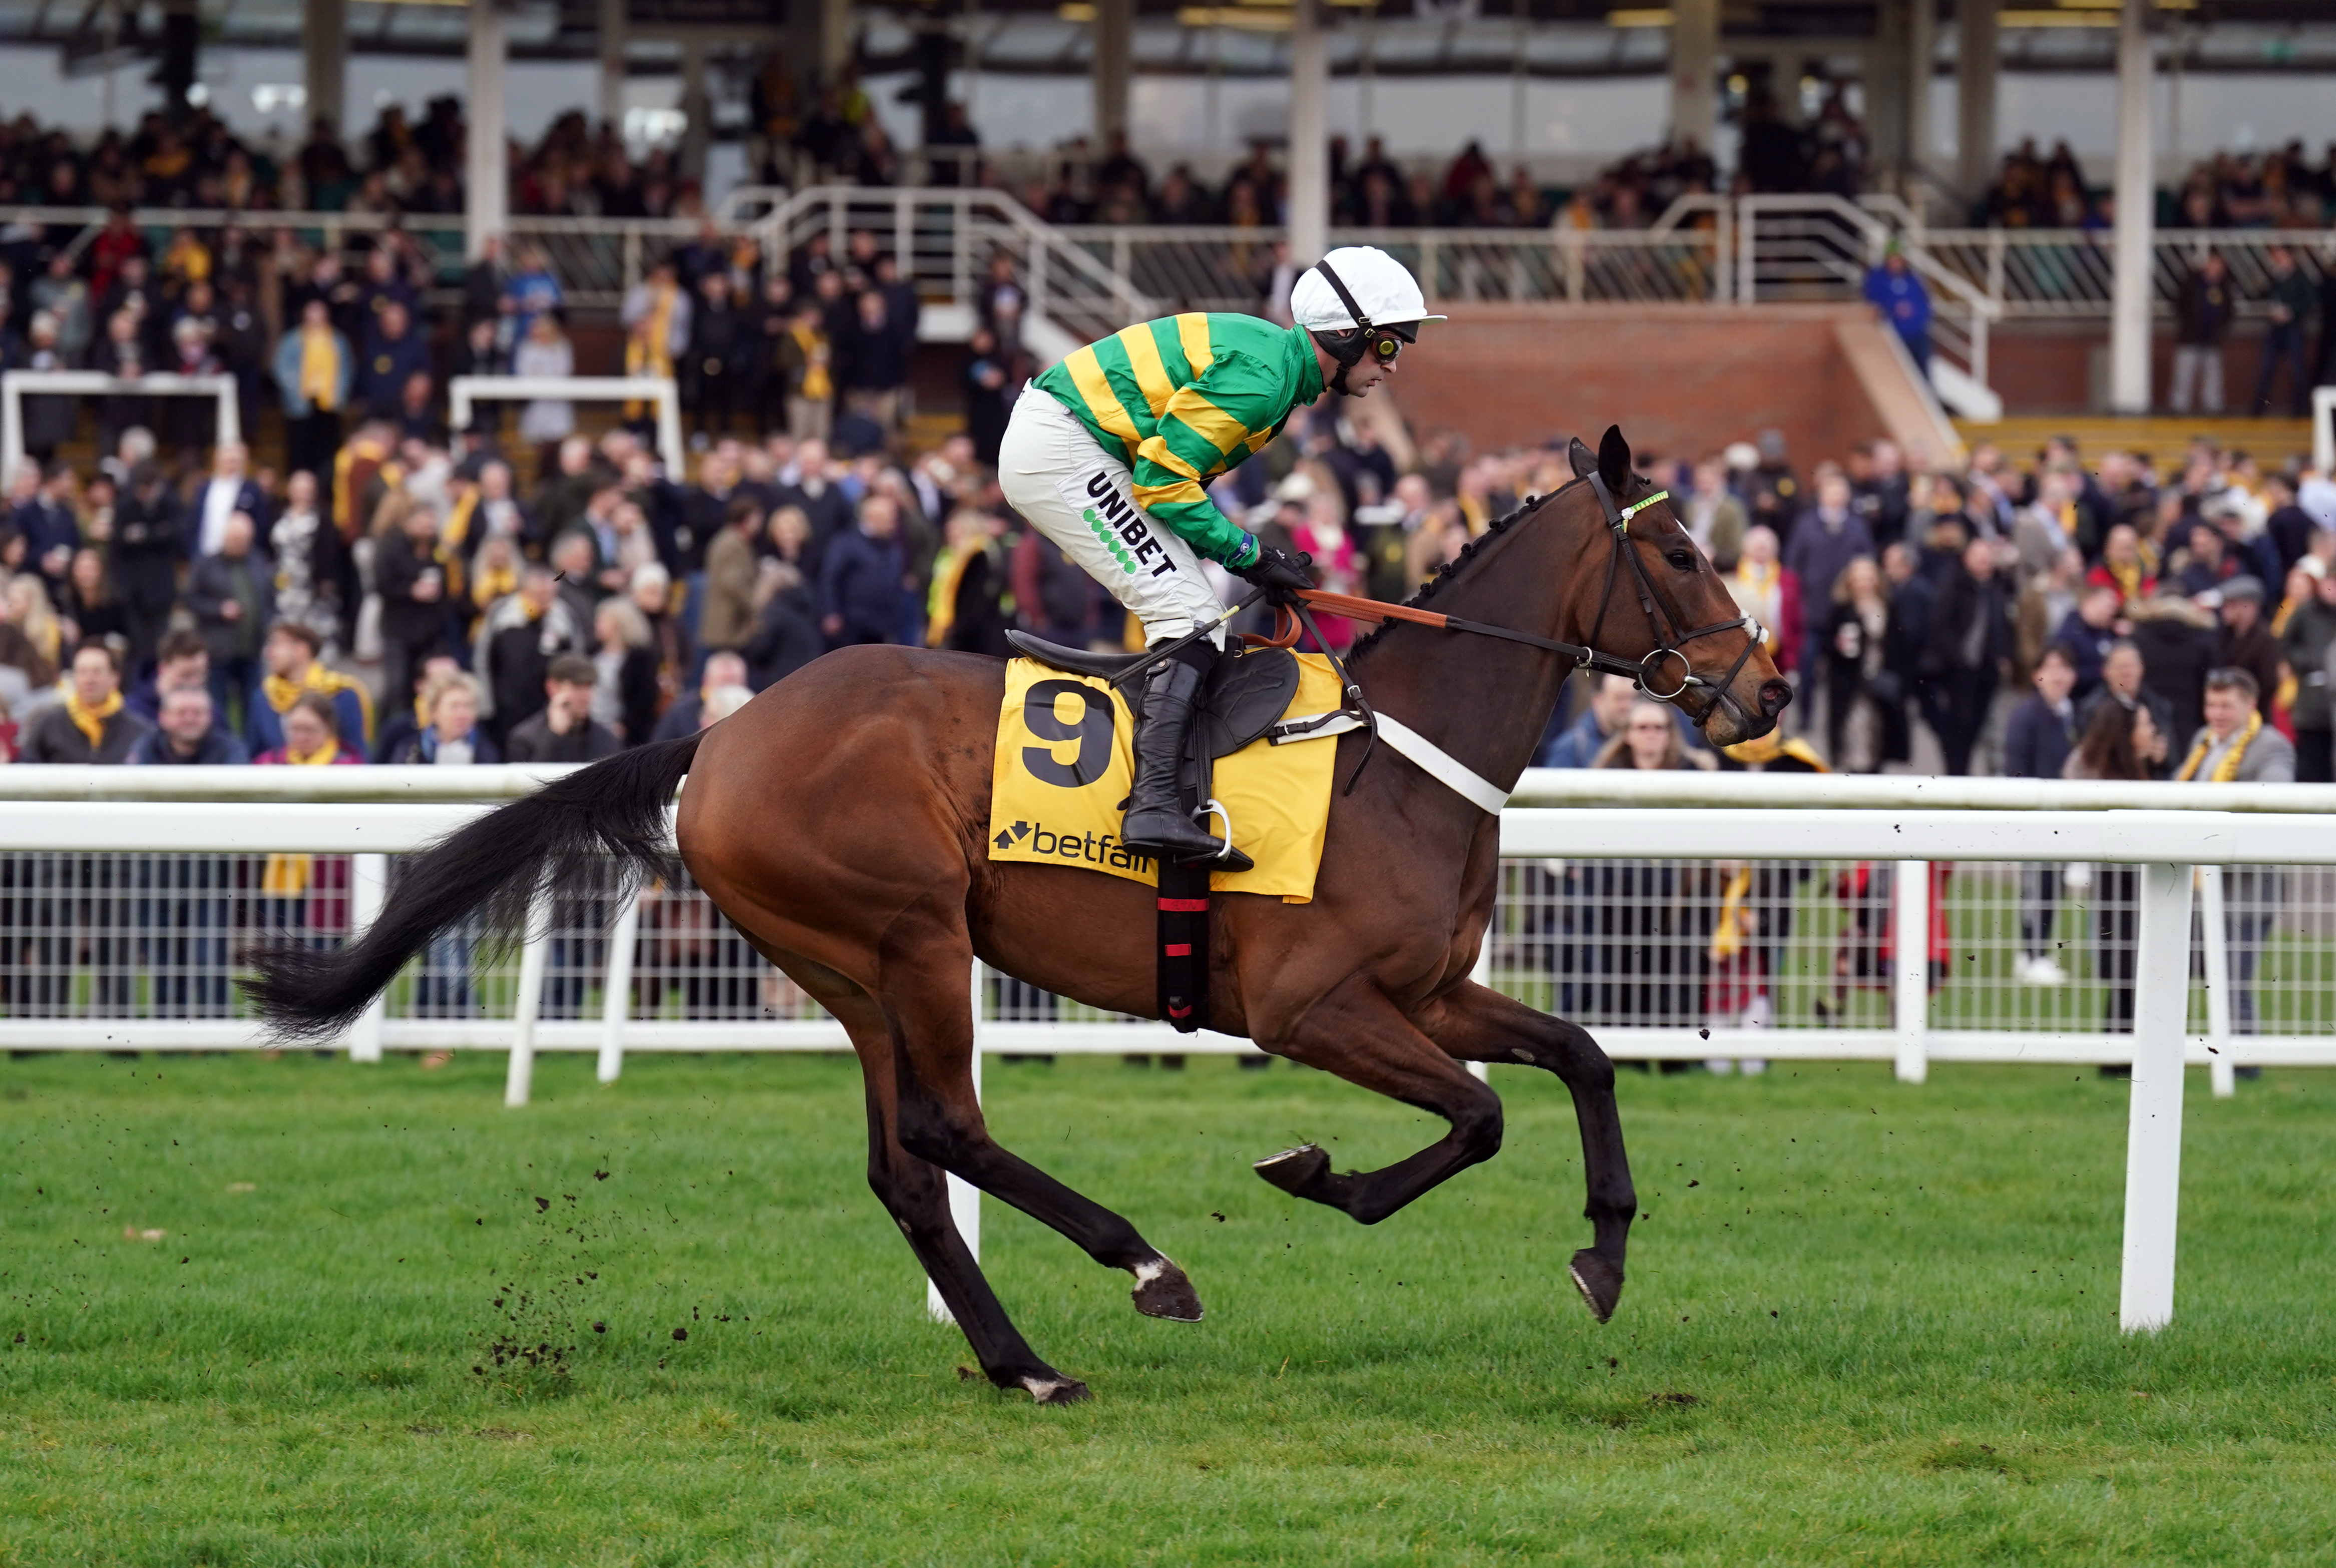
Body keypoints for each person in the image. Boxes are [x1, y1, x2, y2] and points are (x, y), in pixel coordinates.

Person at [995, 244, 1438, 866]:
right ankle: (1150, 805)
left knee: (1196, 609)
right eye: (1387, 347)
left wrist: (1251, 555)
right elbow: (1163, 481)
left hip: (1070, 441)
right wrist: (1250, 554)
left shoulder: (1275, 369)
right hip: (1063, 447)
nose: (1391, 368)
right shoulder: (1262, 379)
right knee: (1191, 615)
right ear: (1343, 336)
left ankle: (1165, 786)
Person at [2177, 668, 2293, 1043]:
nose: (2217, 713)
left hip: (2246, 892)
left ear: (2250, 705)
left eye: (2226, 705)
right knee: (2196, 975)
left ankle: (2243, 1066)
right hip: (2198, 887)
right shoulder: (2204, 740)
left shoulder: (2270, 745)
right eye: (2211, 704)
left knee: (2230, 982)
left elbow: (2277, 795)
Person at [2066, 697, 2165, 1038]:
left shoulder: (2132, 771)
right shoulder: (2112, 780)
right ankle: (2120, 1054)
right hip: (2123, 889)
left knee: (2130, 975)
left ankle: (2119, 1053)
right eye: (2146, 725)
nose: (2153, 731)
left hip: (2124, 890)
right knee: (2129, 972)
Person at [2002, 644, 2081, 985]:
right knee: (2037, 886)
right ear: (2037, 675)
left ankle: (2035, 952)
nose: (2058, 676)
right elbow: (2016, 766)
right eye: (2051, 668)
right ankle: (2032, 954)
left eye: (2065, 669)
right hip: (2036, 816)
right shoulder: (2026, 715)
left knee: (2052, 885)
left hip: (2062, 817)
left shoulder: (2070, 714)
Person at [1918, 536, 2011, 776]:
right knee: (1957, 731)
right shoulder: (1953, 585)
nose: (1983, 562)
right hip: (1956, 671)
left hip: (1985, 671)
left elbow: (2001, 625)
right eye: (1978, 557)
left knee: (1976, 729)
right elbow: (1940, 626)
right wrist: (1957, 657)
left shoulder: (1997, 587)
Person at [187, 510, 273, 730]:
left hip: (252, 647)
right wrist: (218, 609)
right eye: (235, 539)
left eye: (244, 540)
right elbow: (190, 599)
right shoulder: (207, 564)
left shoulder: (258, 561)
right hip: (218, 648)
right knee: (218, 704)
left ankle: (251, 748)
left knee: (253, 703)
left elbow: (269, 598)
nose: (239, 545)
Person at [247, 619, 372, 759]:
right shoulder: (264, 697)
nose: (268, 653)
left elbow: (357, 754)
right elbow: (255, 754)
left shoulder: (340, 693)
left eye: (277, 645)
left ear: (302, 649)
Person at [1820, 555, 1895, 773]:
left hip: (1881, 677)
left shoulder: (1888, 608)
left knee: (1878, 727)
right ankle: (1858, 770)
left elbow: (1898, 645)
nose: (1864, 584)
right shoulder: (1842, 610)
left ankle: (1875, 768)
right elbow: (1827, 645)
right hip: (1850, 679)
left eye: (1869, 578)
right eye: (1859, 579)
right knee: (1854, 725)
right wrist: (1837, 645)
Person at [20, 642, 151, 763]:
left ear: (115, 678)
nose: (89, 680)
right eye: (82, 672)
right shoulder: (49, 724)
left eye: (97, 672)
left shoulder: (139, 732)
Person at [273, 297, 353, 481]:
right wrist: (297, 391)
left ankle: (324, 487)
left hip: (329, 404)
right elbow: (282, 369)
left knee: (327, 450)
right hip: (300, 405)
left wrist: (339, 394)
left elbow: (346, 369)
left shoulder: (338, 340)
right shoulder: (293, 340)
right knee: (300, 450)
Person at [819, 492, 910, 646]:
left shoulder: (893, 547)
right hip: (851, 624)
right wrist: (831, 612)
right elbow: (830, 578)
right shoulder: (846, 543)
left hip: (882, 624)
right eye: (888, 519)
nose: (893, 524)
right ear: (871, 518)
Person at [504, 651, 622, 763]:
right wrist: (555, 736)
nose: (585, 696)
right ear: (552, 687)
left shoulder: (606, 739)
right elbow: (532, 781)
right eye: (577, 686)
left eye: (589, 686)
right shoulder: (524, 739)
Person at [387, 671, 500, 764]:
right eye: (454, 706)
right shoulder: (409, 752)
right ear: (435, 711)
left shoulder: (488, 752)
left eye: (468, 706)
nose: (462, 714)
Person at [2170, 252, 2232, 416]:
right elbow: (2179, 305)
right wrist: (2187, 324)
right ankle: (2179, 408)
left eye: (2219, 265)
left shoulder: (2224, 287)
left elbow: (2229, 312)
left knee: (2213, 376)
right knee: (2184, 375)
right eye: (2213, 264)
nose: (2215, 268)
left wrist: (2221, 330)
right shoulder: (2192, 283)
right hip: (2190, 337)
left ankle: (2213, 408)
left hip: (2212, 339)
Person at [127, 685, 249, 765]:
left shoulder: (231, 750)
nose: (190, 720)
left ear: (211, 716)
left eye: (198, 713)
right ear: (163, 716)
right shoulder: (146, 749)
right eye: (181, 713)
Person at [2213, 576, 2282, 715]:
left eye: (2232, 604)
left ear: (2250, 607)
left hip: (2254, 713)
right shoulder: (2224, 637)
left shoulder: (2265, 640)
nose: (2225, 610)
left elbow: (2269, 683)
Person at [1539, 672, 1638, 768]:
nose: (1627, 706)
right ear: (1598, 700)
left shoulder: (1636, 744)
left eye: (1631, 698)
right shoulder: (1573, 746)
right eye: (1619, 699)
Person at [1593, 698, 1716, 771]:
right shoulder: (1611, 772)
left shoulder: (1691, 770)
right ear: (1627, 734)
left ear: (1669, 734)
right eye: (1643, 728)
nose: (1651, 734)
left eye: (1658, 728)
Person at [1863, 242, 1932, 373]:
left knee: (1922, 371)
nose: (1896, 263)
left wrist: (1919, 319)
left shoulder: (1912, 278)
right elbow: (1873, 301)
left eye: (1898, 259)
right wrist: (1894, 308)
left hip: (1916, 333)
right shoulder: (1877, 278)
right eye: (1892, 259)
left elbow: (1924, 302)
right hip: (1892, 334)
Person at [254, 690, 363, 765]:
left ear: (328, 728)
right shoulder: (268, 764)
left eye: (309, 729)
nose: (301, 737)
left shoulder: (349, 769)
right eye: (295, 729)